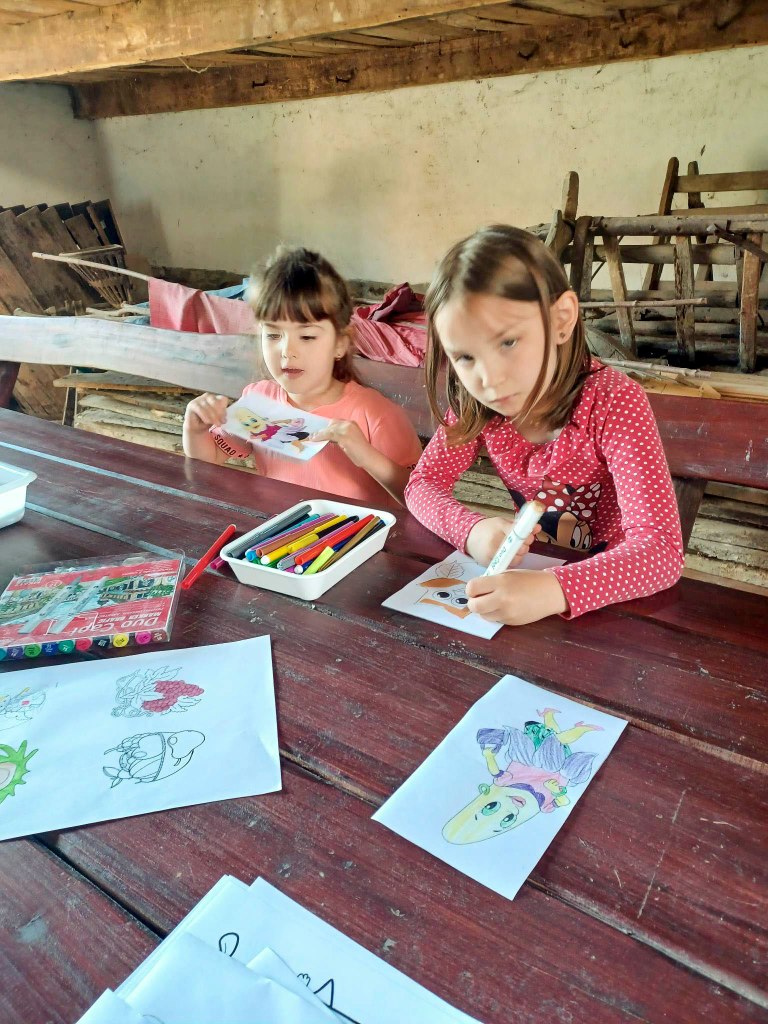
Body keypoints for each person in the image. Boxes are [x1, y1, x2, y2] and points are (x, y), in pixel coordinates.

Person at [405, 224, 684, 624]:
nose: (490, 379)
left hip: (617, 600)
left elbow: (661, 550)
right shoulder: (475, 404)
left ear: (561, 319)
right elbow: (422, 484)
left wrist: (556, 589)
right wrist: (471, 531)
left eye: (508, 342)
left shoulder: (613, 401)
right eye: (465, 357)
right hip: (529, 587)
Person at [183, 247, 422, 505]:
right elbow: (210, 460)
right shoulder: (259, 400)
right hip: (277, 528)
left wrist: (367, 456)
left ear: (340, 344)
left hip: (353, 532)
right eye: (273, 335)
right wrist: (195, 428)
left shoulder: (376, 415)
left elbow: (422, 499)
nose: (288, 351)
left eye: (307, 336)